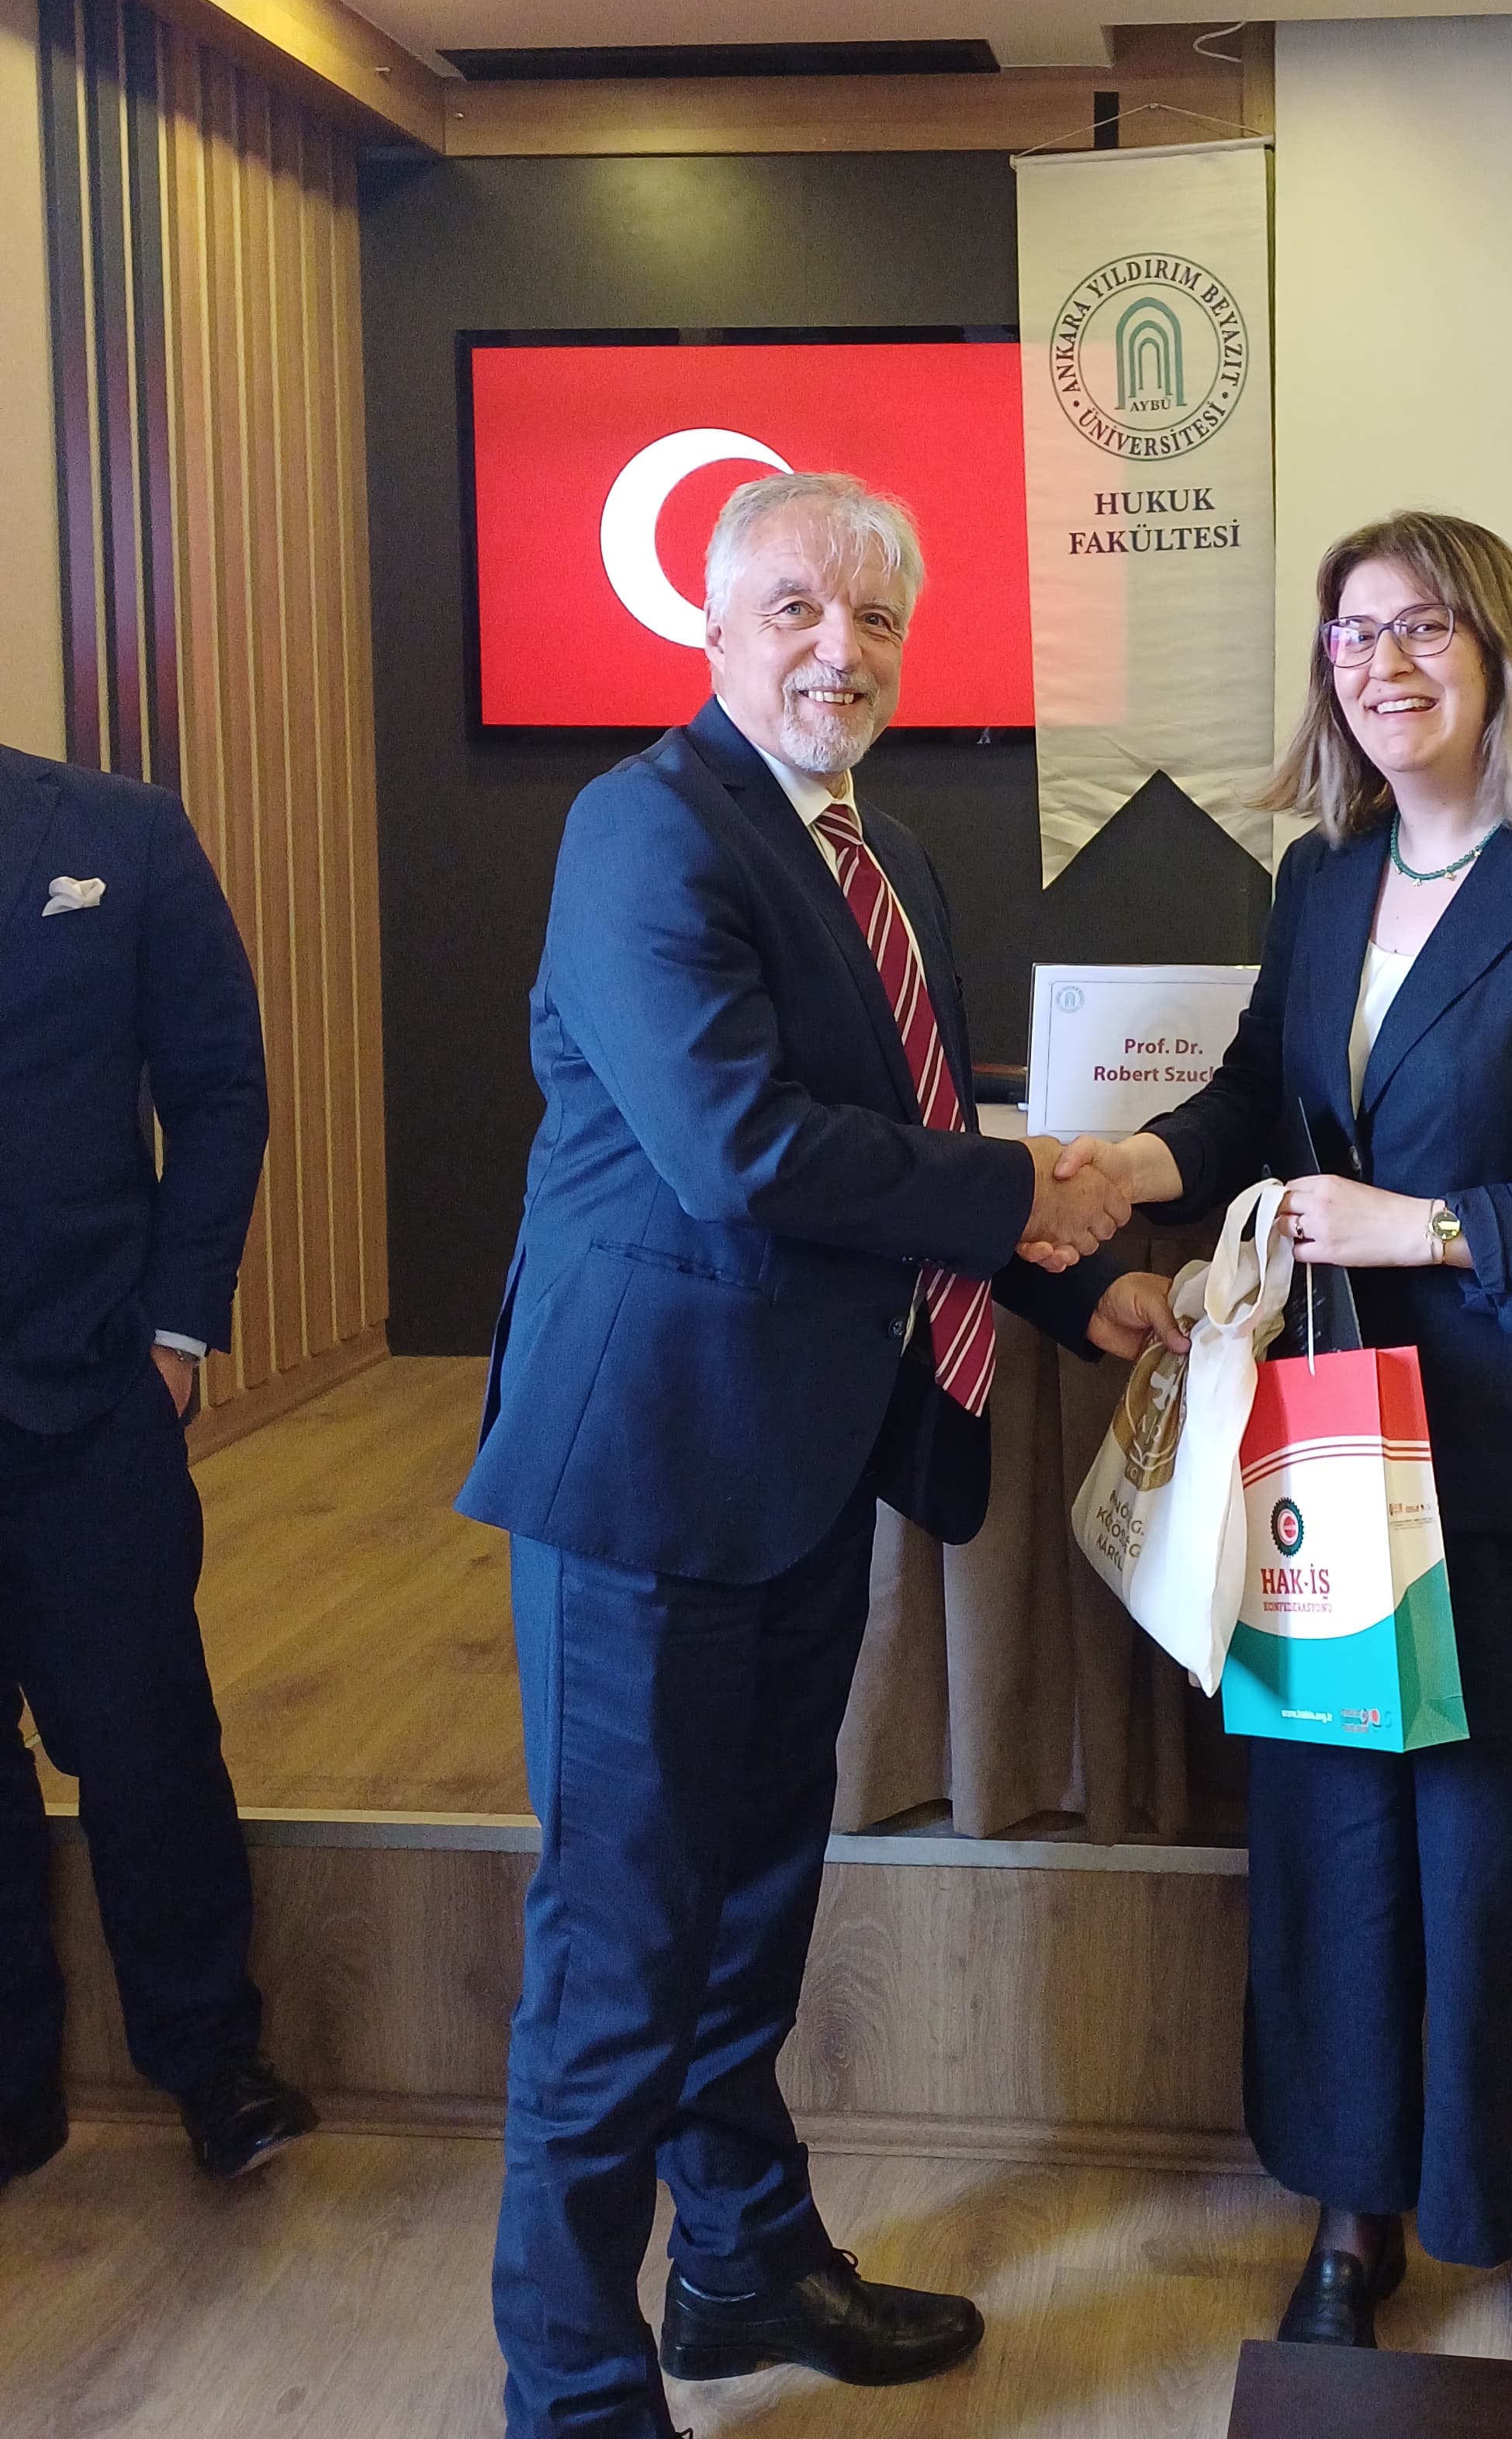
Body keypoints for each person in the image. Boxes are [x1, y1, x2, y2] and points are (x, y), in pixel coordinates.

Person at [458, 472, 1182, 2439]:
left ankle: (742, 2262)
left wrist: (1077, 1296)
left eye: (875, 620)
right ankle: (573, 2390)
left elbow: (905, 1138)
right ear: (712, 624)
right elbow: (742, 1148)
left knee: (750, 1904)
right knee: (620, 1948)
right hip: (644, 1479)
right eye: (795, 607)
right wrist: (1029, 1194)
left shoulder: (889, 854)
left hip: (797, 1463)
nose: (838, 650)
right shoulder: (643, 827)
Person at [1060, 511, 1512, 2367]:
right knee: (1335, 1848)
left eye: (1424, 626)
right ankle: (1349, 2205)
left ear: (1500, 653)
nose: (1383, 663)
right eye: (1352, 635)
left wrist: (1424, 1223)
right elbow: (1257, 1102)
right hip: (1330, 1451)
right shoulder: (1321, 878)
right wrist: (1128, 1165)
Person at [0, 740, 317, 2188]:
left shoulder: (120, 831)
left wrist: (177, 1334)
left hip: (90, 1383)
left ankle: (211, 2063)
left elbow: (219, 1087)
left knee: (146, 1739)